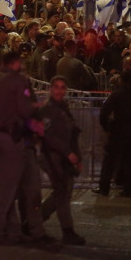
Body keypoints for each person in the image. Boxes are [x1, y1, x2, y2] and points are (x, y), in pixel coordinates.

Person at [0, 50, 42, 246]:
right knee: (8, 189)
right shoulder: (18, 81)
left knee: (6, 186)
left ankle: (15, 229)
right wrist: (38, 109)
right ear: (15, 63)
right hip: (12, 138)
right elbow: (25, 109)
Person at [37, 76, 86, 245]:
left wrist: (76, 157)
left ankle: (34, 222)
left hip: (64, 157)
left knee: (62, 193)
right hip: (52, 157)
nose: (59, 91)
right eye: (56, 87)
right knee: (63, 194)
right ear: (51, 89)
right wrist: (68, 153)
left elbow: (72, 133)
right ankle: (67, 231)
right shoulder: (47, 109)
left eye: (62, 88)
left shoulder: (63, 107)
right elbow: (48, 136)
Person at [93, 57, 131, 197]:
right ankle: (127, 189)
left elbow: (104, 113)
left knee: (110, 161)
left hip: (117, 130)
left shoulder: (115, 96)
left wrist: (107, 128)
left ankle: (104, 188)